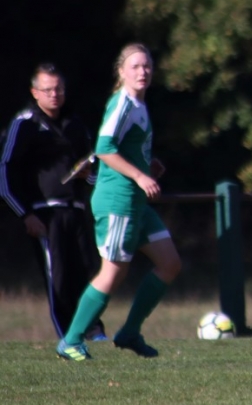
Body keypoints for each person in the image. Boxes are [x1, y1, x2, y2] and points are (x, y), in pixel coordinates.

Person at [55, 44, 182, 361]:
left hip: (136, 202)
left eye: (147, 66)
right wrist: (139, 177)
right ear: (121, 71)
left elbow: (125, 149)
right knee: (113, 272)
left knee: (170, 263)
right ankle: (70, 340)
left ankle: (129, 332)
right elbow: (104, 148)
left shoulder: (139, 104)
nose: (143, 72)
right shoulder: (122, 103)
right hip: (118, 201)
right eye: (136, 66)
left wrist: (147, 165)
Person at [0, 64, 105, 340]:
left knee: (88, 271)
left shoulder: (75, 124)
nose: (54, 94)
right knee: (57, 278)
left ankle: (95, 331)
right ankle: (68, 337)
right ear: (35, 92)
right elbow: (5, 174)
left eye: (59, 88)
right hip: (45, 214)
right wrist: (25, 215)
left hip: (77, 210)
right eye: (47, 90)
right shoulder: (24, 124)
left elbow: (95, 174)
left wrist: (87, 174)